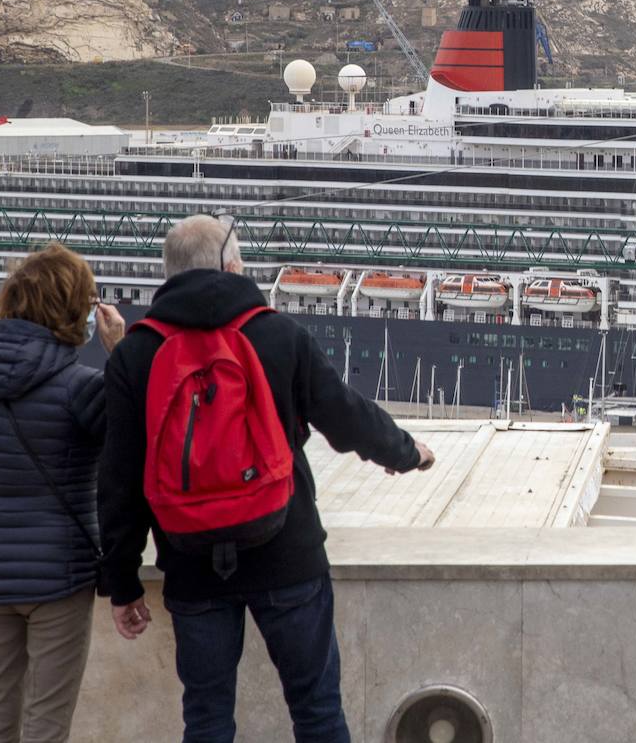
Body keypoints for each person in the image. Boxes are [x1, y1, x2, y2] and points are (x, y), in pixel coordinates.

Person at [99, 215, 434, 743]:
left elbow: (118, 481)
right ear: (232, 266)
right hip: (287, 550)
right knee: (318, 712)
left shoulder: (136, 353)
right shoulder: (276, 333)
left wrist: (120, 583)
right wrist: (404, 451)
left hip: (191, 562)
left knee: (207, 719)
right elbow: (342, 414)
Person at [0, 243, 126, 743]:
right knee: (47, 721)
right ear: (69, 310)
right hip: (59, 577)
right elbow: (129, 453)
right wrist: (120, 353)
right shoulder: (80, 386)